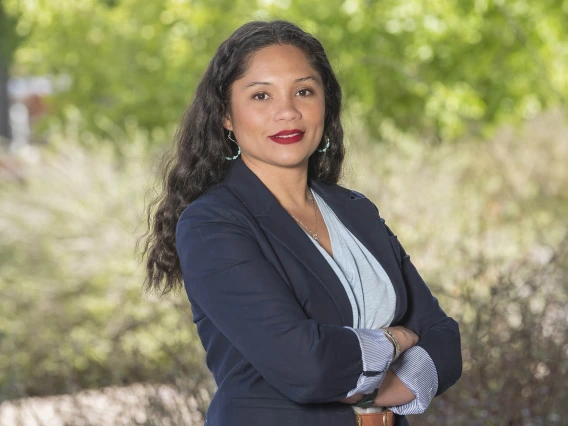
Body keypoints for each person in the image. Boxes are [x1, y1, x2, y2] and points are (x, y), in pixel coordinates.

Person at [141, 20, 462, 426]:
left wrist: (391, 382)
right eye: (261, 95)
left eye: (304, 91)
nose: (288, 112)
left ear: (325, 104)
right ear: (225, 115)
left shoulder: (355, 210)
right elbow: (305, 366)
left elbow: (442, 336)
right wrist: (395, 340)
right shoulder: (212, 224)